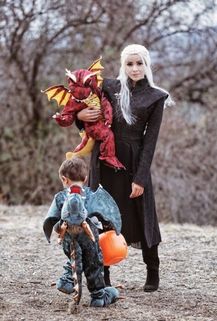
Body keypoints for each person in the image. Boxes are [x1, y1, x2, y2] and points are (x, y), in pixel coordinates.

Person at [76, 44, 173, 292]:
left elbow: (150, 142)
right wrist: (81, 117)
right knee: (101, 215)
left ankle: (153, 271)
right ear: (123, 65)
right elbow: (87, 112)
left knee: (143, 213)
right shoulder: (108, 87)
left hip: (133, 161)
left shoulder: (156, 97)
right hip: (104, 159)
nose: (134, 68)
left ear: (147, 64)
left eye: (139, 63)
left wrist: (140, 178)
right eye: (129, 64)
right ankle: (103, 273)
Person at [43, 157, 119, 307]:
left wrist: (58, 228)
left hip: (67, 237)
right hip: (89, 237)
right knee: (93, 263)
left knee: (73, 254)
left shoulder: (60, 197)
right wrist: (112, 226)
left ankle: (67, 280)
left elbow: (51, 219)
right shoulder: (92, 195)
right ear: (85, 179)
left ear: (64, 179)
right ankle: (98, 297)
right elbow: (105, 212)